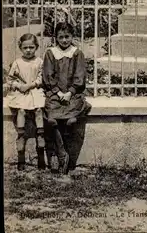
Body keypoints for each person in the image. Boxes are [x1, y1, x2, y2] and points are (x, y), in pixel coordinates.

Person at [42, 22, 91, 174]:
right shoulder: (51, 53)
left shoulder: (77, 53)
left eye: (67, 37)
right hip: (55, 94)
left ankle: (69, 155)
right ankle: (62, 154)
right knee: (52, 120)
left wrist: (69, 92)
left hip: (73, 94)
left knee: (70, 121)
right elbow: (47, 76)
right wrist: (58, 92)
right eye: (61, 37)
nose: (64, 40)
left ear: (72, 37)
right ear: (56, 37)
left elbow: (80, 76)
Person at [6, 33, 46, 171]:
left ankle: (40, 139)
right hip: (21, 92)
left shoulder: (39, 62)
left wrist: (31, 85)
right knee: (21, 110)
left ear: (36, 47)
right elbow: (10, 80)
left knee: (39, 109)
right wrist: (19, 86)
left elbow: (42, 78)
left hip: (34, 90)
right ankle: (21, 137)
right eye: (25, 48)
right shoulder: (17, 63)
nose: (28, 50)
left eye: (31, 47)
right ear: (20, 48)